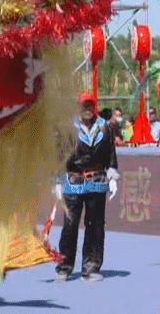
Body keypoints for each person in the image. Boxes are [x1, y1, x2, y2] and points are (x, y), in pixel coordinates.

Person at [55, 92, 119, 281]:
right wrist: (57, 181)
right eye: (84, 106)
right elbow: (59, 156)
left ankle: (91, 267)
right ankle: (65, 266)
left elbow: (111, 154)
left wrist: (113, 176)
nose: (88, 110)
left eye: (90, 106)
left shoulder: (104, 127)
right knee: (70, 225)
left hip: (97, 181)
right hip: (74, 181)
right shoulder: (68, 128)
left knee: (96, 225)